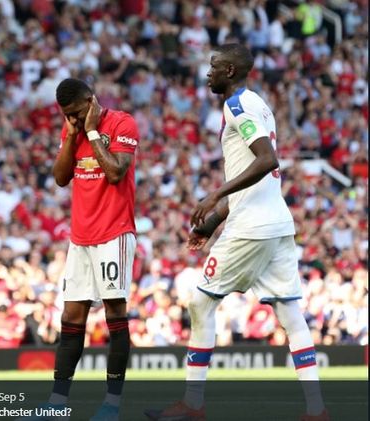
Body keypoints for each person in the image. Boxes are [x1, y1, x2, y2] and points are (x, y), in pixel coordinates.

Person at [146, 43, 328, 421]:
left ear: (230, 71)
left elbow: (267, 160)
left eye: (214, 66)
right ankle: (317, 411)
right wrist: (212, 222)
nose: (208, 72)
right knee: (291, 316)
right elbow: (255, 177)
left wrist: (215, 193)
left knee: (200, 304)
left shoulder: (237, 106)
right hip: (277, 223)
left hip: (252, 228)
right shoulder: (259, 104)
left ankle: (192, 405)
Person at [27, 78, 139, 421]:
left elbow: (117, 172)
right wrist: (74, 134)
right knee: (70, 317)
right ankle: (56, 403)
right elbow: (61, 177)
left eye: (76, 113)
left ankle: (111, 405)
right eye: (67, 115)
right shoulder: (71, 130)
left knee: (115, 316)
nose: (72, 119)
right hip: (81, 237)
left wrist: (91, 133)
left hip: (114, 233)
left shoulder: (122, 123)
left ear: (91, 101)